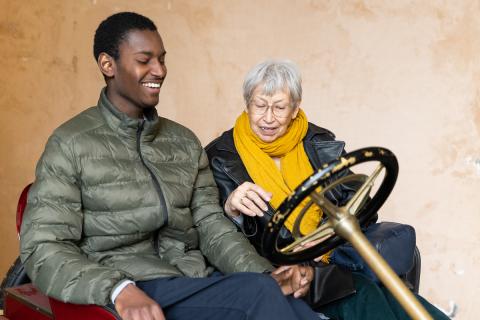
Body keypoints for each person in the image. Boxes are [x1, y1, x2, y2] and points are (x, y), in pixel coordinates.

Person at [19, 13, 321, 320]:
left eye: (162, 60)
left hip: (191, 279)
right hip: (125, 286)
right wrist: (117, 288)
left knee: (294, 305)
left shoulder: (183, 142)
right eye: (144, 60)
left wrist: (263, 273)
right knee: (258, 295)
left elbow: (211, 225)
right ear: (108, 65)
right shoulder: (70, 143)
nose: (159, 70)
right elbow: (43, 248)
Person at [206, 59, 450, 320]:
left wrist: (330, 233)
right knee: (366, 296)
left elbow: (359, 204)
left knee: (407, 302)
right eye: (260, 106)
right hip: (277, 270)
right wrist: (231, 208)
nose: (268, 118)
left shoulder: (318, 142)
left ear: (295, 108)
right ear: (247, 104)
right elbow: (213, 233)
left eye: (279, 107)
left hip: (331, 258)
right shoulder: (220, 156)